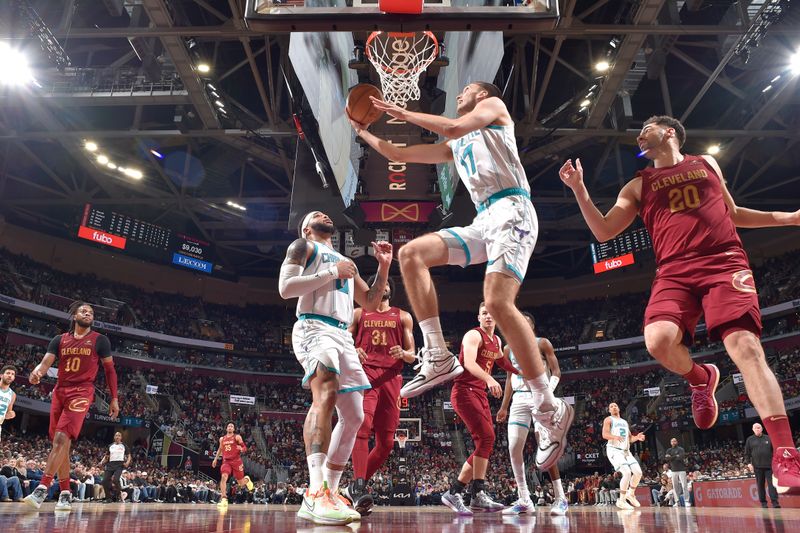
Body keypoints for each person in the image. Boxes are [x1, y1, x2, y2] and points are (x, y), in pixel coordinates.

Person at [559, 115, 800, 492]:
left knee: (747, 348)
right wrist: (579, 190)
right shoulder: (639, 184)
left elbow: (733, 215)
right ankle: (701, 378)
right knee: (657, 341)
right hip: (674, 270)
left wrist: (791, 218)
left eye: (647, 127)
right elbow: (604, 231)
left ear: (669, 132)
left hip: (724, 262)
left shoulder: (707, 163)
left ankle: (786, 453)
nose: (639, 134)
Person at [352, 83, 573, 472]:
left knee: (498, 302)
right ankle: (437, 354)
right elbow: (396, 153)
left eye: (468, 88)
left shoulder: (493, 106)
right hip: (485, 219)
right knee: (411, 254)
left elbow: (454, 127)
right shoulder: (458, 146)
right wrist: (362, 132)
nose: (461, 92)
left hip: (512, 209)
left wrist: (404, 114)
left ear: (482, 95)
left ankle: (547, 405)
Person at [279, 210, 392, 525]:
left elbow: (369, 302)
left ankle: (330, 489)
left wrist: (383, 267)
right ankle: (315, 490)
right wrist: (331, 272)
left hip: (343, 335)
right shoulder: (303, 247)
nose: (322, 214)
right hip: (315, 326)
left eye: (324, 213)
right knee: (325, 390)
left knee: (355, 415)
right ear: (306, 228)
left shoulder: (347, 261)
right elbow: (286, 288)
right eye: (314, 214)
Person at [24, 301, 120, 512]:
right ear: (74, 315)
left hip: (82, 391)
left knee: (60, 439)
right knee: (61, 446)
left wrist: (114, 398)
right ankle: (66, 493)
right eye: (83, 311)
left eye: (91, 313)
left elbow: (110, 371)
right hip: (60, 391)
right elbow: (46, 362)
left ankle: (42, 488)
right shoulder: (59, 340)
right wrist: (37, 372)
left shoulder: (99, 340)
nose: (88, 314)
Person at [345, 276, 415, 515]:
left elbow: (413, 355)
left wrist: (403, 353)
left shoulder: (403, 316)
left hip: (392, 379)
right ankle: (359, 486)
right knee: (363, 426)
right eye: (377, 283)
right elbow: (343, 338)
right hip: (365, 375)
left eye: (385, 284)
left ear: (390, 290)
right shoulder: (358, 313)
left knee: (386, 444)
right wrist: (353, 349)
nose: (382, 286)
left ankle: (355, 486)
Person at [440, 302, 517, 515]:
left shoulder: (496, 340)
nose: (488, 316)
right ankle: (465, 492)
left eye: (492, 313)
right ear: (479, 317)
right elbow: (470, 364)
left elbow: (501, 361)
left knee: (486, 441)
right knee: (487, 438)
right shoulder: (473, 336)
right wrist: (489, 378)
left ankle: (469, 493)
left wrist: (520, 372)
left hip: (479, 392)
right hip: (464, 391)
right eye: (484, 313)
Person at [497, 312, 568, 516]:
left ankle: (561, 498)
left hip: (540, 396)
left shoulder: (542, 343)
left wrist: (548, 393)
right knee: (513, 447)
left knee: (545, 445)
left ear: (532, 325)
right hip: (519, 399)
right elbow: (509, 379)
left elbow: (556, 372)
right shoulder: (508, 348)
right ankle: (524, 498)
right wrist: (504, 406)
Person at [602, 402, 645, 510]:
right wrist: (614, 437)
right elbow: (604, 435)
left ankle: (631, 494)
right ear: (609, 410)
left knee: (638, 472)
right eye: (611, 406)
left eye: (615, 405)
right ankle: (621, 500)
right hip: (614, 450)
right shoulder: (608, 419)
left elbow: (629, 438)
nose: (613, 407)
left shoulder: (624, 422)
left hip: (626, 451)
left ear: (619, 408)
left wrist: (637, 437)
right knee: (626, 472)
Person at [211, 422, 254, 508]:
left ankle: (247, 480)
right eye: (229, 426)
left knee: (241, 483)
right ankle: (224, 499)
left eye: (232, 426)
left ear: (233, 429)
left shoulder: (237, 437)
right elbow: (220, 449)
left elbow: (245, 448)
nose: (230, 427)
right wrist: (215, 459)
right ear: (226, 428)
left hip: (236, 461)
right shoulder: (222, 439)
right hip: (226, 461)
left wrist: (241, 449)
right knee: (223, 477)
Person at [746, 422, 780, 508]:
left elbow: (774, 452)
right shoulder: (750, 440)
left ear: (762, 429)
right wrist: (749, 463)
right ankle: (763, 503)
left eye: (759, 427)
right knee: (760, 485)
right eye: (755, 428)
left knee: (772, 485)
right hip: (757, 467)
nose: (757, 429)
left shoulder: (768, 438)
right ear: (753, 429)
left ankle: (775, 502)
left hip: (769, 466)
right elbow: (747, 453)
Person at [99, 431, 131, 503]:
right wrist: (101, 462)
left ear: (121, 437)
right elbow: (106, 456)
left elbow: (129, 455)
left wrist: (127, 462)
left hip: (119, 465)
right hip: (110, 464)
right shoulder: (110, 446)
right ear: (114, 437)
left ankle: (119, 494)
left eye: (119, 436)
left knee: (116, 480)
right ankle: (108, 498)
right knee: (104, 481)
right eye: (116, 435)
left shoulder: (124, 446)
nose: (117, 437)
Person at [665, 437, 690, 507]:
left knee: (684, 485)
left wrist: (671, 457)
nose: (674, 442)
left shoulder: (681, 449)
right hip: (673, 470)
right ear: (670, 443)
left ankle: (686, 501)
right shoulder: (669, 450)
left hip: (682, 469)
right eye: (672, 441)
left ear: (677, 442)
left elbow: (681, 457)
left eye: (675, 441)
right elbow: (667, 458)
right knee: (675, 487)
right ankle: (677, 501)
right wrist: (675, 456)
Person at [0, 365, 16, 442]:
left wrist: (10, 414)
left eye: (12, 374)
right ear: (1, 375)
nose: (10, 375)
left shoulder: (12, 394)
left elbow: (8, 412)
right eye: (8, 373)